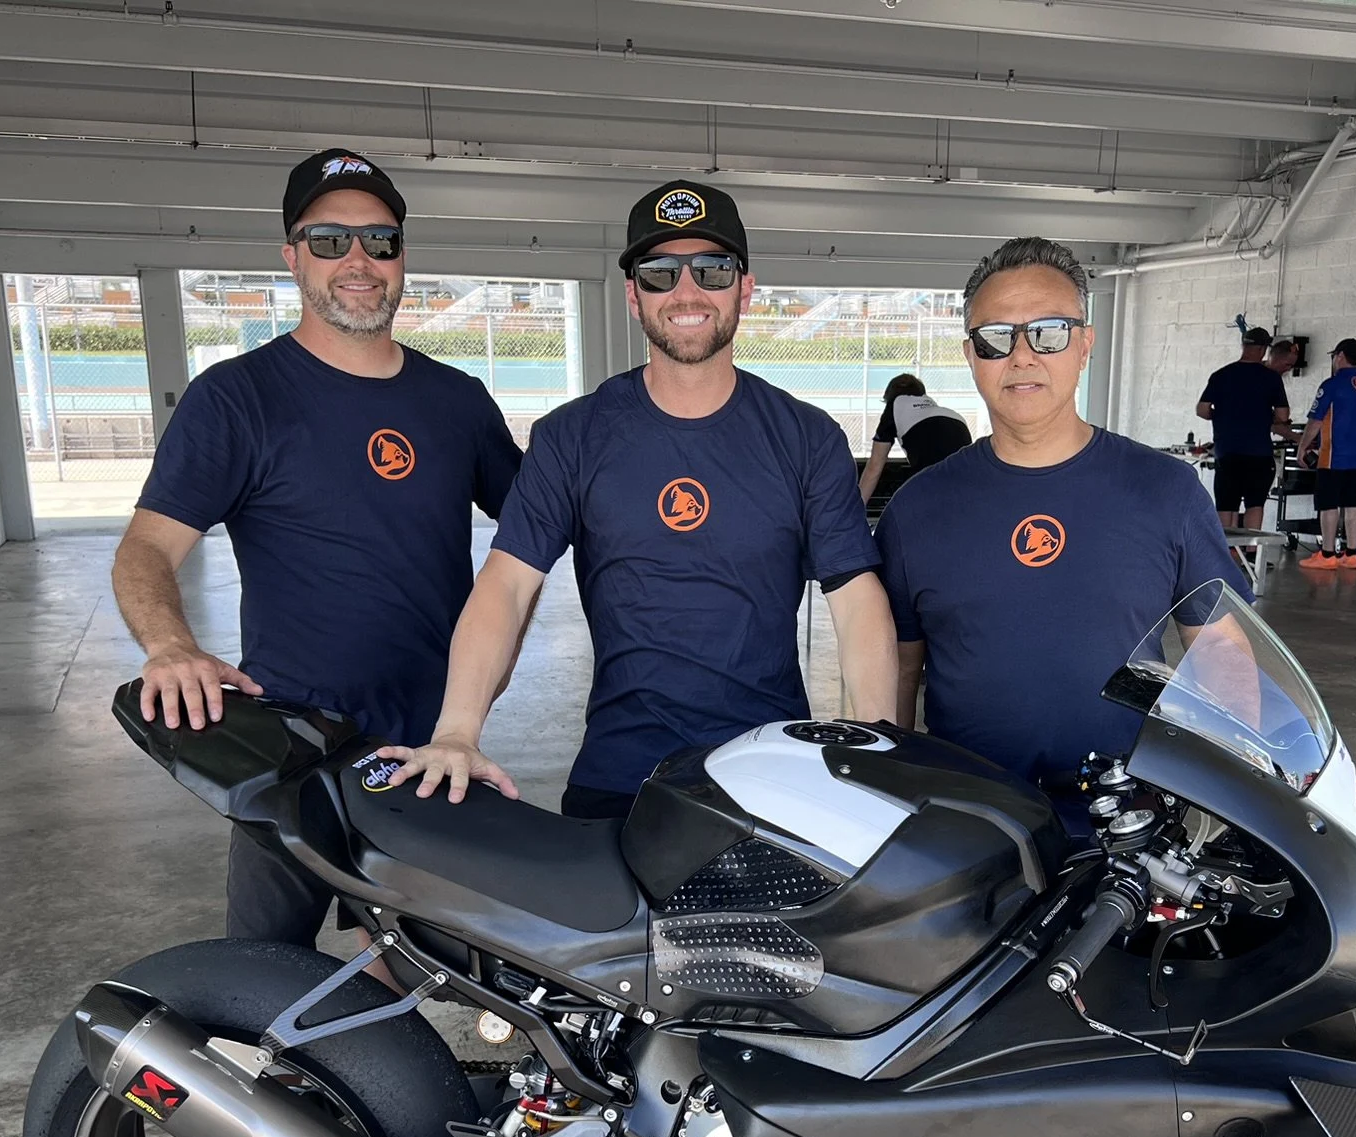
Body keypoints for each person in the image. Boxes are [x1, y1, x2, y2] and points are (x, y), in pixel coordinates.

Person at [380, 180, 899, 818]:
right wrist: (457, 730)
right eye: (660, 272)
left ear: (745, 286)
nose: (687, 291)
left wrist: (874, 753)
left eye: (712, 269)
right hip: (620, 777)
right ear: (633, 295)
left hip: (772, 777)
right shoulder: (571, 436)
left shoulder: (806, 437)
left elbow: (855, 601)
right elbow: (506, 584)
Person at [113, 147, 522, 947]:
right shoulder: (238, 398)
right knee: (264, 976)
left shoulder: (456, 401)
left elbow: (543, 523)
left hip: (431, 745)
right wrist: (169, 647)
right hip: (294, 747)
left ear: (404, 255)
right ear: (292, 256)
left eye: (379, 241)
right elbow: (148, 547)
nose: (359, 261)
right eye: (330, 241)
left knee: (423, 966)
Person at [874, 236, 1251, 811]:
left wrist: (1238, 803)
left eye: (1049, 332)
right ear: (972, 355)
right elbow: (899, 672)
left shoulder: (1166, 491)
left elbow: (1223, 656)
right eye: (996, 338)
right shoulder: (916, 509)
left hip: (1129, 830)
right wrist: (890, 795)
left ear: (1085, 345)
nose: (1022, 356)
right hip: (969, 824)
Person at [1296, 338, 1356, 570]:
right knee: (1352, 501)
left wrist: (1302, 446)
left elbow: (1316, 420)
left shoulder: (1331, 385)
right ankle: (1351, 554)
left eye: (1334, 355)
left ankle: (1326, 555)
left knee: (1328, 503)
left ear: (1341, 356)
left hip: (1331, 455)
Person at [1195, 326, 1292, 532]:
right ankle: (1251, 555)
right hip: (1259, 454)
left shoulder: (1220, 375)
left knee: (1226, 506)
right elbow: (1283, 416)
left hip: (1227, 452)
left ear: (1243, 345)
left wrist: (1222, 416)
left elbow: (1202, 410)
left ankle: (1226, 554)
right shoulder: (1271, 378)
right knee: (1254, 505)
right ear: (1263, 349)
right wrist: (1265, 417)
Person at [858, 373, 973, 502]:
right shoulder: (952, 414)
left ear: (889, 397)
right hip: (968, 482)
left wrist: (854, 511)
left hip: (934, 484)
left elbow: (875, 465)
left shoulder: (896, 405)